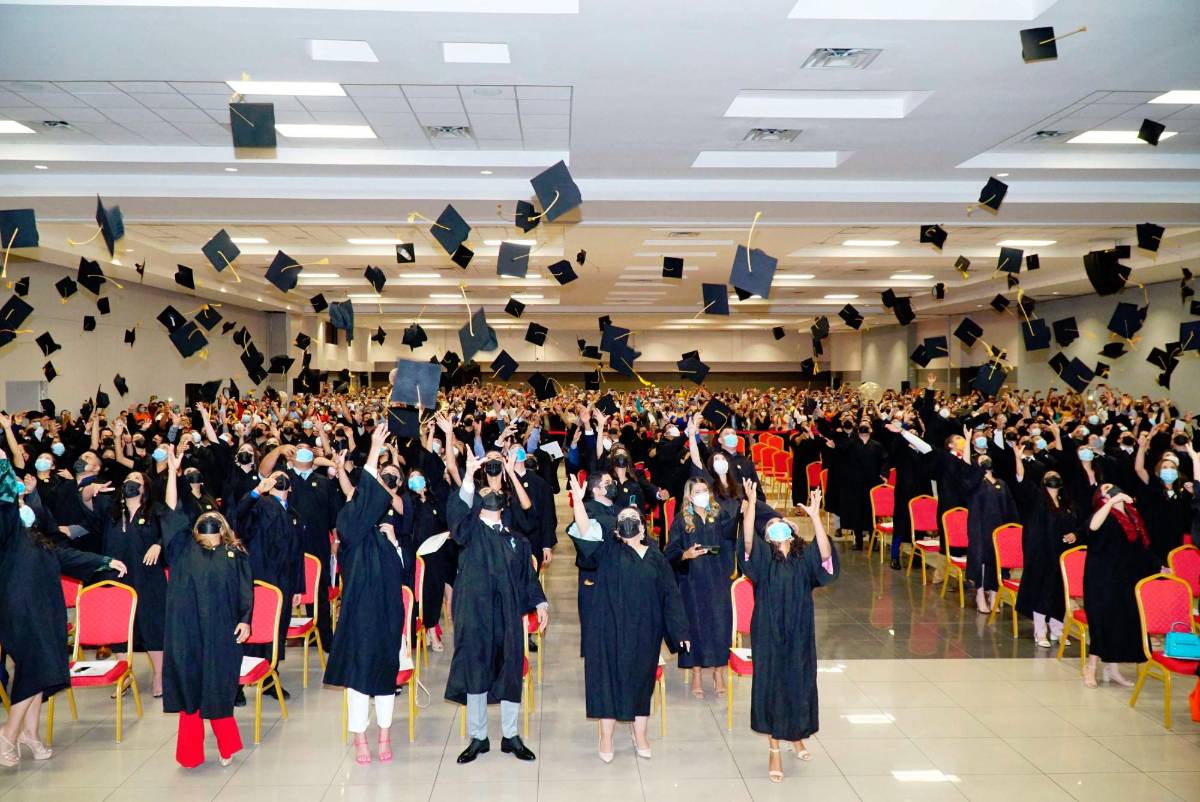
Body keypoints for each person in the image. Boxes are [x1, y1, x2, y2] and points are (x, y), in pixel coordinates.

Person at [0, 452, 127, 766]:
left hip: (46, 605)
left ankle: (30, 733)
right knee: (34, 666)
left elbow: (61, 554)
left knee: (44, 667)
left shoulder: (30, 529)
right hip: (19, 605)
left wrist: (103, 561)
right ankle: (8, 734)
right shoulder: (6, 527)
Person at [566, 475, 689, 762]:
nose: (628, 520)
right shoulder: (607, 550)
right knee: (606, 681)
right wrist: (579, 502)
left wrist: (680, 630)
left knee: (640, 681)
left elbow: (670, 595)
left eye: (633, 516)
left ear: (643, 525)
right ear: (617, 529)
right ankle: (605, 737)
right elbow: (585, 530)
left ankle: (640, 733)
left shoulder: (656, 556)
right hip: (607, 629)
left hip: (644, 632)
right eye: (623, 518)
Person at [445, 450, 547, 765]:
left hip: (508, 614)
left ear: (502, 504)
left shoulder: (518, 540)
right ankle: (478, 737)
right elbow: (456, 515)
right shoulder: (469, 533)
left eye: (492, 492)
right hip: (474, 613)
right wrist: (468, 478)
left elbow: (528, 578)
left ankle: (511, 735)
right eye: (482, 492)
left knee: (510, 670)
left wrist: (540, 602)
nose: (488, 493)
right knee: (476, 669)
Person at [159, 446, 253, 769]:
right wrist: (172, 472)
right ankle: (190, 753)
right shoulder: (183, 548)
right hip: (185, 633)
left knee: (217, 689)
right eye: (205, 519)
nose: (210, 522)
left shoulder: (235, 554)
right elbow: (172, 511)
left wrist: (245, 620)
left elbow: (245, 592)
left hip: (221, 633)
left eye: (215, 520)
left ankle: (227, 746)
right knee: (189, 690)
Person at [738, 482, 837, 783]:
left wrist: (817, 518)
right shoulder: (763, 560)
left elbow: (824, 557)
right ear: (766, 535)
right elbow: (746, 543)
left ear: (793, 532)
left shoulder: (803, 558)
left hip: (799, 630)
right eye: (771, 526)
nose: (777, 528)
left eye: (782, 524)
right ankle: (774, 749)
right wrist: (752, 506)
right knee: (771, 684)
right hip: (768, 631)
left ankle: (797, 735)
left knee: (799, 680)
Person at [323, 425, 409, 765]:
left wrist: (393, 540)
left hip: (387, 614)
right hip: (359, 614)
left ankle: (385, 733)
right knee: (358, 677)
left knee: (385, 675)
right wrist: (373, 448)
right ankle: (359, 736)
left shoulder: (388, 535)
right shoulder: (351, 528)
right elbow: (363, 496)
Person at [664, 476, 738, 698]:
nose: (702, 494)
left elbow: (729, 543)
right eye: (697, 491)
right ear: (689, 495)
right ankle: (696, 673)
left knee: (720, 624)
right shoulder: (682, 520)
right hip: (693, 581)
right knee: (695, 625)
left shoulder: (719, 515)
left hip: (718, 578)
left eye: (705, 490)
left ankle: (718, 672)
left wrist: (727, 570)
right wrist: (686, 554)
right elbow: (670, 551)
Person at [1082, 484, 1161, 688]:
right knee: (1102, 622)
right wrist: (1111, 503)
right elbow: (1092, 527)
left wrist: (1158, 566)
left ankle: (1112, 669)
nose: (1113, 489)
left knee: (1120, 623)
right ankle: (1090, 667)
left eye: (1114, 486)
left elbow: (1141, 548)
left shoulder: (1133, 517)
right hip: (1102, 579)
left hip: (1125, 578)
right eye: (1106, 488)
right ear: (1101, 496)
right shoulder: (1103, 514)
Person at [235, 468, 305, 699]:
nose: (279, 479)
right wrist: (256, 491)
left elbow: (297, 552)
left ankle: (269, 675)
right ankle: (236, 683)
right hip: (260, 577)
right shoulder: (260, 504)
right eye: (274, 476)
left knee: (277, 629)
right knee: (251, 628)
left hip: (284, 580)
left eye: (283, 477)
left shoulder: (293, 512)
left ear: (290, 486)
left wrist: (298, 587)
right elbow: (239, 515)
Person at [98, 470, 168, 697]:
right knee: (120, 626)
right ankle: (124, 675)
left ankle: (159, 674)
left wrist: (159, 544)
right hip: (119, 575)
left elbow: (172, 532)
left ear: (145, 487)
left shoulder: (154, 510)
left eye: (137, 479)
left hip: (148, 576)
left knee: (152, 624)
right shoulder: (112, 512)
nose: (131, 482)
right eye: (128, 478)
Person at [1013, 466, 1082, 648]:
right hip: (1041, 554)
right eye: (1049, 476)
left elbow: (1075, 525)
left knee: (1058, 594)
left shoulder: (1067, 503)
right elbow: (1021, 480)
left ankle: (1057, 629)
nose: (1053, 477)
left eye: (1056, 475)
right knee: (1041, 593)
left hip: (1061, 555)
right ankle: (1040, 630)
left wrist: (1074, 535)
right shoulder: (1037, 499)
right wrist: (1018, 457)